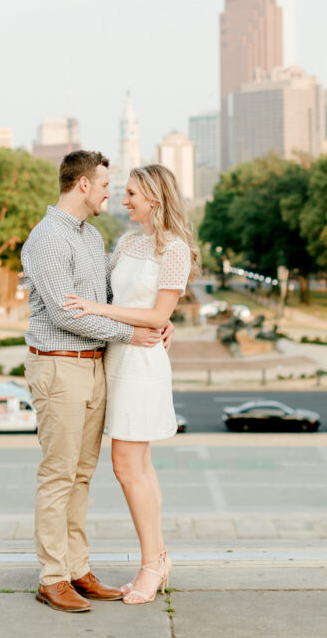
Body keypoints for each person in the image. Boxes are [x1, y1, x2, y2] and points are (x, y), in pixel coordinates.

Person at [21, 150, 174, 614]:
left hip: (93, 366)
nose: (112, 193)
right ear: (83, 185)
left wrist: (160, 321)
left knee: (81, 474)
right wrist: (133, 333)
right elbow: (69, 314)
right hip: (59, 363)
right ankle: (52, 577)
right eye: (107, 184)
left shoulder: (89, 238)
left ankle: (77, 568)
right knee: (58, 474)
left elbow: (111, 299)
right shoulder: (47, 238)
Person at [63, 164, 199, 605]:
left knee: (126, 466)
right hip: (117, 355)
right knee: (138, 467)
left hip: (142, 363)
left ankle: (151, 564)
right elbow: (113, 295)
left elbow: (158, 315)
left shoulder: (174, 249)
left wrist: (97, 311)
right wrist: (97, 306)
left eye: (132, 194)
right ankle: (158, 557)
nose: (124, 201)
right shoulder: (126, 243)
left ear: (155, 198)